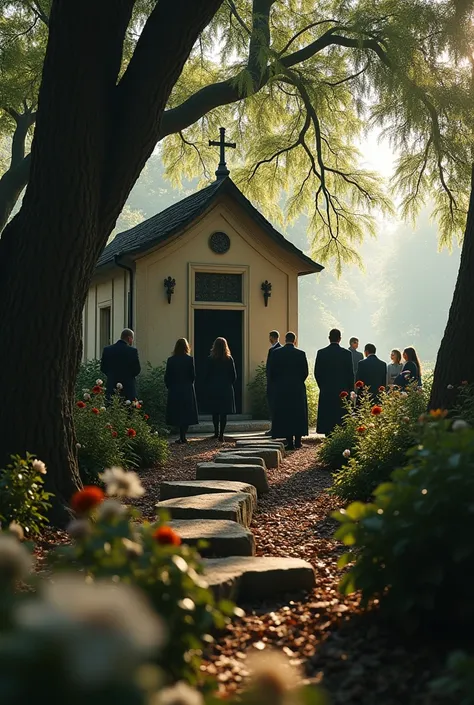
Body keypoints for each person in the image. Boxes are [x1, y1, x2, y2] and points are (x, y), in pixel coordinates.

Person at [268, 332, 308, 450]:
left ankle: (289, 441)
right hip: (297, 388)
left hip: (282, 388)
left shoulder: (276, 353)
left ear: (285, 340)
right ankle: (298, 441)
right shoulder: (301, 354)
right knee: (298, 413)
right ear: (294, 341)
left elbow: (272, 372)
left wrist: (277, 384)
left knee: (286, 413)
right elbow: (305, 372)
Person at [314, 329, 354, 435]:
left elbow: (317, 373)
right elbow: (350, 373)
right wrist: (350, 389)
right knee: (340, 416)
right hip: (342, 390)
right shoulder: (346, 354)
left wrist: (322, 386)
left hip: (326, 389)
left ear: (329, 338)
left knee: (328, 415)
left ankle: (328, 435)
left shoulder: (321, 353)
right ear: (340, 339)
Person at [164, 338, 198, 444]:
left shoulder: (171, 360)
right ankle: (184, 436)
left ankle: (180, 436)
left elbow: (167, 376)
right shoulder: (189, 359)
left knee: (177, 412)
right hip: (186, 389)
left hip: (174, 389)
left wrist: (169, 386)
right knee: (186, 412)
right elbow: (193, 376)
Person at [205, 337, 237, 441]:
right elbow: (234, 375)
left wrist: (209, 385)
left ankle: (216, 432)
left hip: (214, 388)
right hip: (226, 388)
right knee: (224, 413)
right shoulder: (229, 359)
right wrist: (229, 383)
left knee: (215, 412)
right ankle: (221, 434)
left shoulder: (211, 359)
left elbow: (207, 375)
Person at [101, 328, 141, 402]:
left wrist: (111, 375)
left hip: (111, 385)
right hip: (128, 387)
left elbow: (103, 368)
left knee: (111, 407)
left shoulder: (107, 350)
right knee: (129, 410)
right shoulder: (132, 351)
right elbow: (137, 370)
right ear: (129, 338)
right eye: (132, 339)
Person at [265, 330, 282, 437]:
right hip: (278, 383)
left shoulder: (273, 350)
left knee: (273, 407)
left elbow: (270, 368)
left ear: (272, 337)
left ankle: (274, 429)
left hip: (273, 384)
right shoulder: (281, 349)